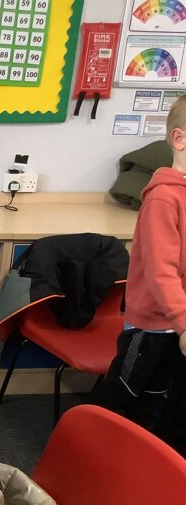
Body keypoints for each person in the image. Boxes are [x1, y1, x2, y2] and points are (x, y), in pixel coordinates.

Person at [96, 95, 186, 448]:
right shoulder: (164, 199)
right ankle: (91, 446)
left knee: (159, 394)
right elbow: (161, 271)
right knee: (125, 390)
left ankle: (141, 455)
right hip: (153, 324)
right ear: (179, 139)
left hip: (177, 321)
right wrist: (183, 321)